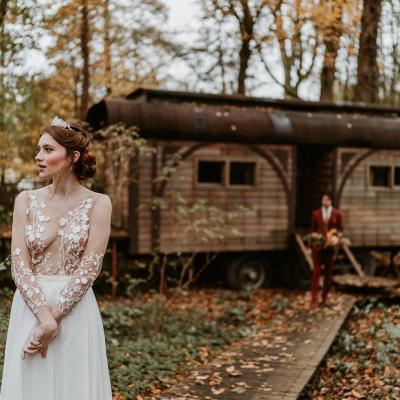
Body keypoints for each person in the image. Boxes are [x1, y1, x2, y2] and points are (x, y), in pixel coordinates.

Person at [0, 116, 113, 399]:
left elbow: (89, 267)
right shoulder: (25, 201)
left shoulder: (99, 203)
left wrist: (55, 317)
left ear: (73, 156)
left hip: (75, 311)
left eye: (48, 150)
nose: (39, 157)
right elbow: (19, 264)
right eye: (39, 149)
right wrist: (43, 319)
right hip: (30, 307)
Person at [310, 192, 343, 307]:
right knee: (316, 273)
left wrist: (336, 238)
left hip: (330, 248)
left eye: (326, 200)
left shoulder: (337, 214)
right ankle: (314, 299)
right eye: (322, 199)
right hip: (318, 248)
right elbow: (313, 229)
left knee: (328, 274)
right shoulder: (316, 214)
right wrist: (315, 239)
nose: (323, 201)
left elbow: (340, 230)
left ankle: (324, 298)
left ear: (330, 201)